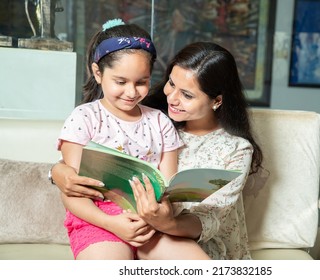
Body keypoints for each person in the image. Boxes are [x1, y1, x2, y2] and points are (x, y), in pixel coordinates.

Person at [52, 41, 263, 260]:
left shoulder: (236, 150)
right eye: (171, 83)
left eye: (187, 95)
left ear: (216, 101)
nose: (172, 99)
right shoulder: (151, 116)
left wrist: (167, 222)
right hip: (124, 227)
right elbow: (87, 165)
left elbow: (210, 221)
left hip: (186, 239)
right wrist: (57, 172)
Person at [56, 18, 209, 260]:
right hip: (99, 220)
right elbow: (74, 192)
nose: (131, 92)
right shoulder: (84, 118)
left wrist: (161, 213)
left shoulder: (159, 121)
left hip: (151, 219)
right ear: (98, 73)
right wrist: (112, 223)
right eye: (120, 82)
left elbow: (167, 188)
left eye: (141, 82)